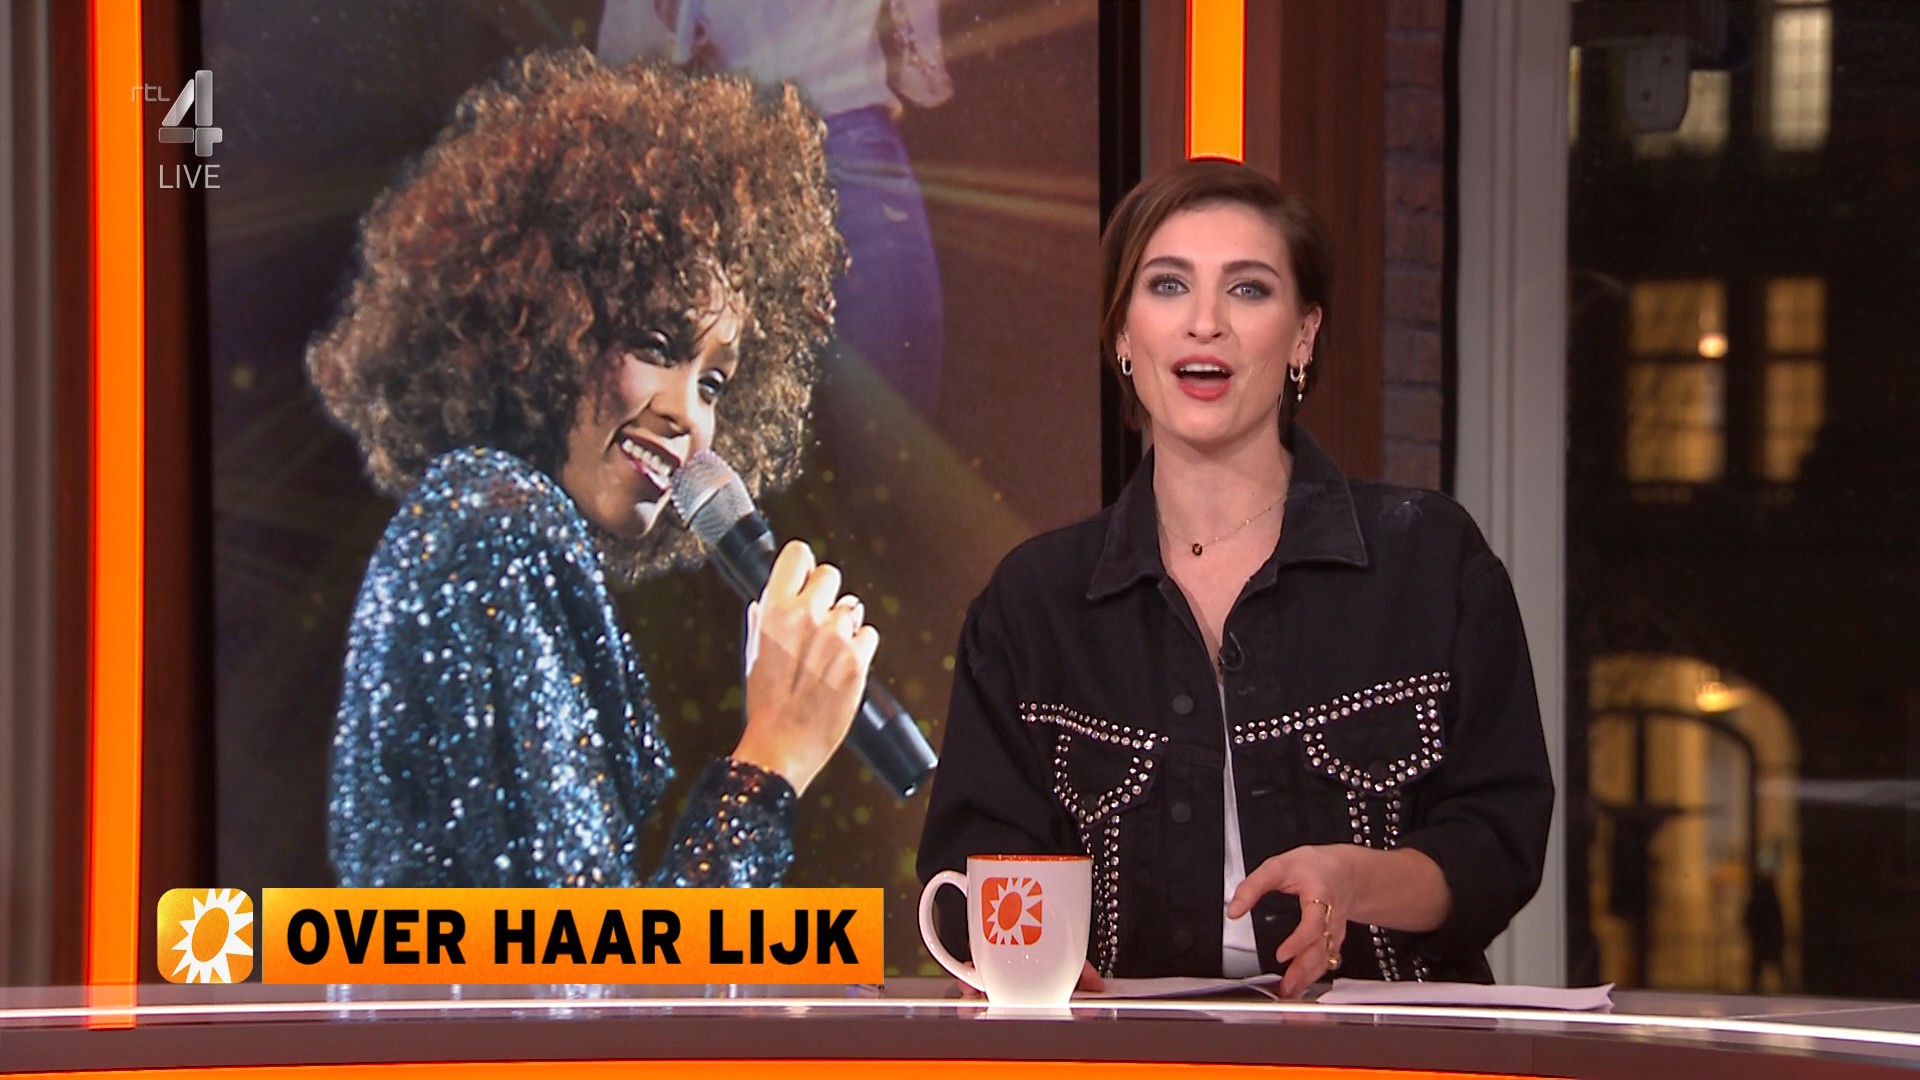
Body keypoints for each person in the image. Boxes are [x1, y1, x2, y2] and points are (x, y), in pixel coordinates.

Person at [917, 159, 1554, 997]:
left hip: (1377, 1045)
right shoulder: (1033, 604)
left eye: (1248, 290)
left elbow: (1499, 838)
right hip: (1124, 1053)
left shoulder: (1428, 558)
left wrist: (1354, 880)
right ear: (1122, 336)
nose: (1205, 323)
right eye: (1168, 286)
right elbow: (967, 869)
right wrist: (1027, 965)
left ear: (1303, 336)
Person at [310, 50, 875, 889]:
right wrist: (773, 760)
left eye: (713, 383)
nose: (689, 416)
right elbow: (572, 965)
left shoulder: (484, 521)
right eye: (655, 345)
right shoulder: (495, 533)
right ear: (540, 320)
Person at [597, 0, 950, 414]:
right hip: (746, 149)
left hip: (824, 145)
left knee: (886, 404)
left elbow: (632, 54)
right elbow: (633, 55)